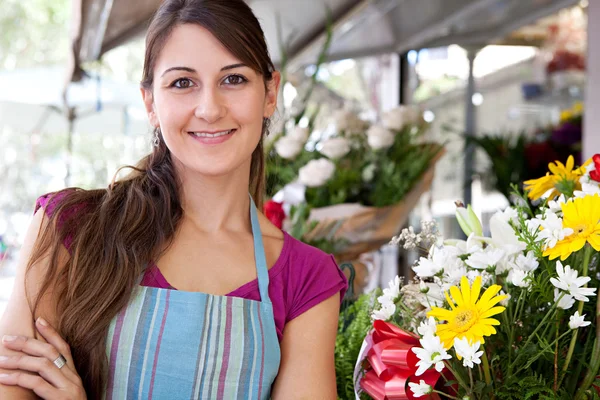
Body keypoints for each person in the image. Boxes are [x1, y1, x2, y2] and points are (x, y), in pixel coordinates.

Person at [0, 0, 348, 398]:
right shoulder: (69, 229)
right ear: (151, 103)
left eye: (233, 80)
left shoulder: (306, 278)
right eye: (183, 83)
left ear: (270, 94)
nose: (209, 109)